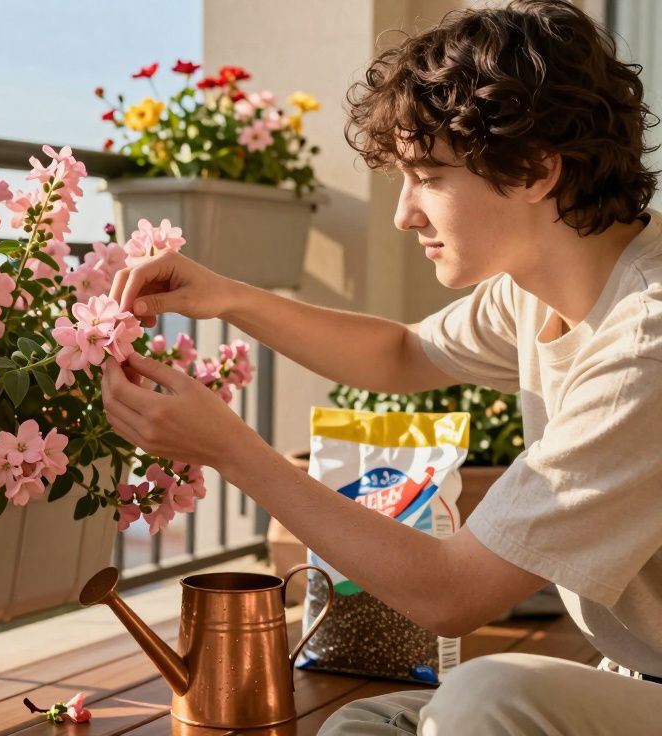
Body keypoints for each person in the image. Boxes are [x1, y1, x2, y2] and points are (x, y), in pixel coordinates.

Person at [101, 1, 662, 732]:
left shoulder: (644, 343)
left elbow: (453, 591)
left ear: (536, 170)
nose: (404, 214)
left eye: (427, 176)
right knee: (362, 725)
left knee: (482, 699)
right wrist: (229, 297)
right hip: (629, 677)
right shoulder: (539, 289)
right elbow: (403, 353)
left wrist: (230, 450)